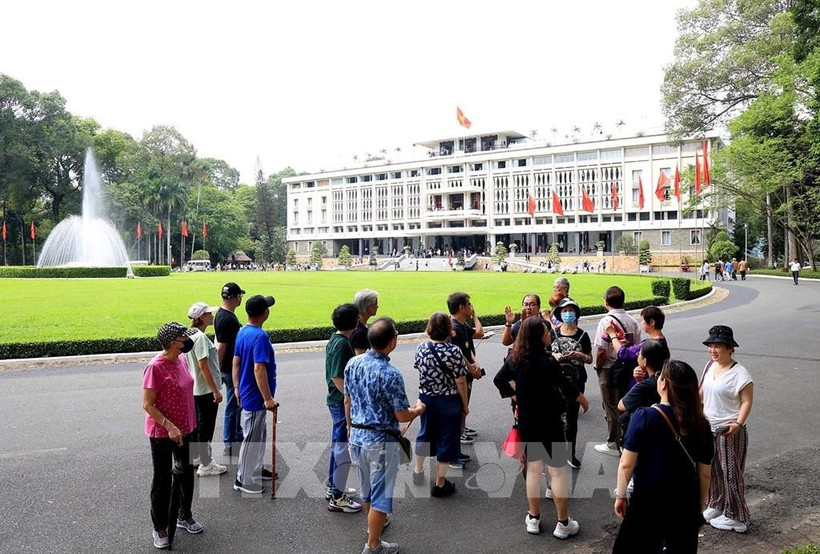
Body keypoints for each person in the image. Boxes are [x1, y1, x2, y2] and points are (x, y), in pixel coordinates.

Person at [493, 317, 588, 539]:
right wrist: (582, 398)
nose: (549, 333)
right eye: (546, 331)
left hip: (528, 421)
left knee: (533, 470)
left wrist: (515, 395)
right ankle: (563, 523)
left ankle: (534, 517)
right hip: (551, 421)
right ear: (538, 335)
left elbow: (499, 380)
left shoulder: (516, 360)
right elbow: (565, 385)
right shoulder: (548, 362)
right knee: (557, 471)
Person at [612, 360, 714, 553]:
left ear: (664, 384)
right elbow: (704, 474)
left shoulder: (644, 417)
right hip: (685, 501)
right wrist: (698, 508)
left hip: (648, 500)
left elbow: (626, 464)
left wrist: (620, 495)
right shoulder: (701, 423)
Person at [345, 317, 426, 554]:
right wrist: (418, 410)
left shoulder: (353, 363)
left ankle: (373, 530)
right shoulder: (390, 373)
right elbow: (401, 414)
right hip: (380, 442)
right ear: (391, 342)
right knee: (381, 497)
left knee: (367, 491)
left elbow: (347, 400)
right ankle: (373, 545)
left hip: (357, 436)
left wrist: (350, 428)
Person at [142, 322, 203, 550]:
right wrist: (170, 426)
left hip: (187, 427)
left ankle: (184, 515)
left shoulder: (182, 359)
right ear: (172, 342)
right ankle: (160, 527)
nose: (187, 341)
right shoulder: (155, 367)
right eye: (183, 338)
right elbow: (147, 404)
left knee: (186, 473)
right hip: (163, 432)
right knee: (163, 479)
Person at [700, 325, 754, 533]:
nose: (713, 350)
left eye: (718, 346)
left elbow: (747, 402)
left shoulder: (740, 374)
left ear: (730, 348)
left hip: (729, 430)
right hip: (709, 428)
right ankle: (717, 504)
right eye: (711, 346)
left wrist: (738, 424)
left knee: (731, 473)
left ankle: (738, 517)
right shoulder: (710, 366)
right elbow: (701, 393)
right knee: (713, 470)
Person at [411, 312, 469, 496]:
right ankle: (440, 483)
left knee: (425, 433)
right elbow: (461, 381)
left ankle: (418, 471)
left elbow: (418, 368)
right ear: (448, 329)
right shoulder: (454, 351)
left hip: (426, 399)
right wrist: (465, 404)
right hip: (448, 400)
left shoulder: (421, 348)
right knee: (446, 438)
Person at [232, 294, 278, 495]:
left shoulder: (243, 331)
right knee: (251, 437)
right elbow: (259, 368)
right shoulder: (260, 337)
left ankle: (256, 468)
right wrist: (267, 398)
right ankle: (243, 479)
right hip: (255, 395)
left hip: (248, 391)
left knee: (258, 433)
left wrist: (236, 387)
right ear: (265, 313)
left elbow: (236, 361)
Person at [593, 286, 641, 456]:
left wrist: (598, 366)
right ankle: (625, 438)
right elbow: (636, 347)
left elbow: (601, 350)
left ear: (606, 302)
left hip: (609, 367)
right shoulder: (633, 321)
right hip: (627, 368)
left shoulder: (606, 322)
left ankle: (613, 443)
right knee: (623, 403)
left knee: (611, 406)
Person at [324, 303, 362, 513]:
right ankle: (337, 496)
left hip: (336, 400)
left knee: (337, 446)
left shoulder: (335, 339)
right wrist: (351, 397)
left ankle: (333, 486)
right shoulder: (342, 345)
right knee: (342, 448)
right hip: (340, 401)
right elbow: (337, 376)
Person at [185, 302, 227, 477]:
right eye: (209, 314)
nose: (212, 316)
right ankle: (206, 464)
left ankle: (196, 457)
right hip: (205, 390)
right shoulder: (201, 338)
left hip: (195, 389)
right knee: (206, 427)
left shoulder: (189, 335)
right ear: (202, 317)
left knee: (198, 425)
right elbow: (203, 365)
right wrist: (215, 390)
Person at [549, 298, 592, 468]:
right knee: (554, 418)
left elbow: (590, 358)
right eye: (565, 311)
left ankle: (570, 453)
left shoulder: (583, 335)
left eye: (571, 310)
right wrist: (554, 356)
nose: (568, 314)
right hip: (554, 382)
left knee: (572, 419)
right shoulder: (553, 333)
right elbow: (545, 354)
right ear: (560, 314)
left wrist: (581, 356)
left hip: (576, 381)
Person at [446, 292, 484, 453]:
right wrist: (472, 369)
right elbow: (459, 355)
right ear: (461, 307)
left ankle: (462, 427)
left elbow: (479, 334)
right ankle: (459, 432)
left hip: (468, 372)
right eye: (469, 304)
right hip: (461, 374)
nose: (471, 307)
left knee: (465, 401)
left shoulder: (462, 325)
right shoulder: (454, 329)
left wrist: (475, 364)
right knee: (461, 403)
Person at [214, 282, 245, 457]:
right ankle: (229, 441)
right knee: (233, 405)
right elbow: (221, 347)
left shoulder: (221, 314)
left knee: (236, 404)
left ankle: (236, 432)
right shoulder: (229, 319)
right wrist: (217, 370)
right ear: (236, 297)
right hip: (230, 368)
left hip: (226, 367)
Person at [608, 305, 667, 392]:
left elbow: (624, 353)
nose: (641, 323)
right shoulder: (660, 340)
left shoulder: (650, 345)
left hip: (643, 384)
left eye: (643, 320)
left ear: (652, 322)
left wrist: (612, 334)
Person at [351, 288, 379, 355]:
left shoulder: (356, 324)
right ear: (369, 307)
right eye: (375, 304)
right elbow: (361, 358)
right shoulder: (360, 333)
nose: (377, 307)